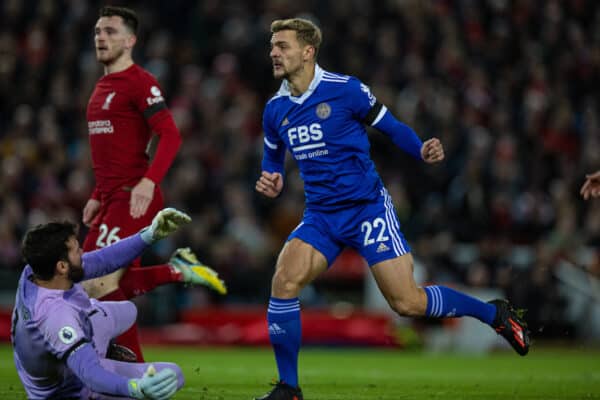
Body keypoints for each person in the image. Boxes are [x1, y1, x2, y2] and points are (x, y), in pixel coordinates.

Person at [254, 18, 530, 400]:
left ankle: (492, 314)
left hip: (368, 210)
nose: (274, 52)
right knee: (283, 282)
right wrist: (271, 178)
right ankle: (289, 388)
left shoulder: (345, 89)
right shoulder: (275, 109)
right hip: (321, 216)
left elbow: (390, 124)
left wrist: (420, 148)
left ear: (307, 51)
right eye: (272, 45)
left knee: (407, 303)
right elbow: (272, 157)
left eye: (282, 45)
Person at [83, 5, 226, 362]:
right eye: (99, 31)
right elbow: (112, 151)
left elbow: (171, 134)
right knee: (95, 282)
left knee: (97, 282)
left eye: (111, 31)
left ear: (130, 40)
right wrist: (96, 194)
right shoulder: (101, 86)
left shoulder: (140, 81)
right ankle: (179, 271)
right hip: (111, 196)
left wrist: (148, 182)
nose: (101, 37)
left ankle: (135, 366)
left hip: (133, 197)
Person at [12, 208, 191, 400]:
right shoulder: (57, 317)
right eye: (76, 250)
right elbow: (90, 374)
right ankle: (100, 361)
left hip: (48, 354)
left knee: (128, 310)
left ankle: (101, 349)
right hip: (69, 388)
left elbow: (103, 260)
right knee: (172, 375)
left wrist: (149, 235)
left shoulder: (35, 270)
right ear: (62, 267)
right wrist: (135, 388)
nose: (82, 251)